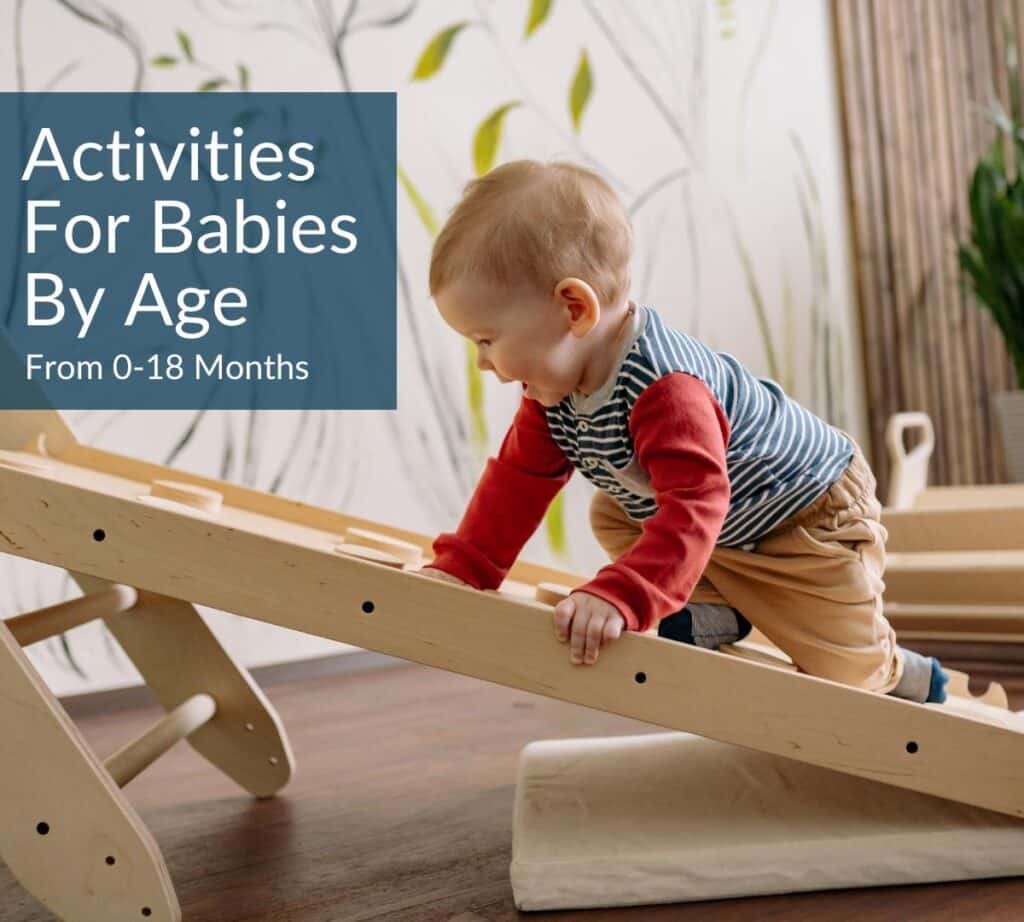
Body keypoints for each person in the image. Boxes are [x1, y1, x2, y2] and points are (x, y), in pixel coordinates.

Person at [420, 158, 947, 705]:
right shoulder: (550, 392)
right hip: (725, 519)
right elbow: (518, 481)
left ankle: (901, 672)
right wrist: (465, 569)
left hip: (807, 513)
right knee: (615, 511)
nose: (483, 363)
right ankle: (719, 606)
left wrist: (623, 594)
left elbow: (696, 506)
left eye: (486, 340)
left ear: (573, 309)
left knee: (846, 675)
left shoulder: (666, 390)